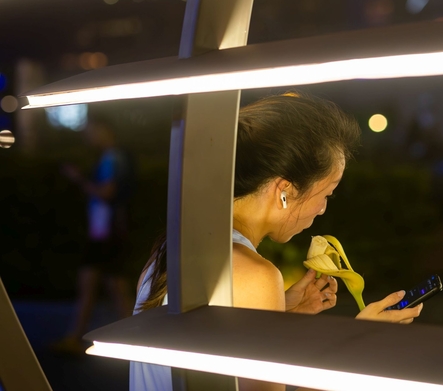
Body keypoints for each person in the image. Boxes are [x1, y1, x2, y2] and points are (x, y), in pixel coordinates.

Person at [130, 93, 424, 391]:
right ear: (285, 190)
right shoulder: (256, 276)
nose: (323, 208)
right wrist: (360, 343)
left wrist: (280, 317)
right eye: (326, 193)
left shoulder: (170, 249)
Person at [52, 117, 135, 355]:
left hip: (106, 232)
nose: (87, 136)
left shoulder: (113, 157)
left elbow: (107, 192)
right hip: (104, 232)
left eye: (90, 131)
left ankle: (79, 338)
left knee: (111, 285)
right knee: (102, 284)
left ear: (103, 130)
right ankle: (77, 337)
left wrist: (78, 178)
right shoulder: (113, 157)